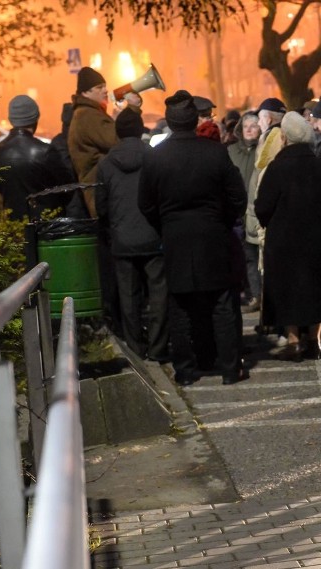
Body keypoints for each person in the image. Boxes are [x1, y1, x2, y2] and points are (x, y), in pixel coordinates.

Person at [138, 90, 247, 386]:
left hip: (176, 237)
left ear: (171, 122)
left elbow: (145, 204)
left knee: (181, 305)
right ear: (193, 120)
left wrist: (165, 224)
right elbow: (237, 196)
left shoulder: (156, 157)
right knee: (222, 303)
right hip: (212, 234)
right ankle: (229, 368)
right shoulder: (214, 152)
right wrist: (222, 220)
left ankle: (186, 370)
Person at [255, 112, 321, 361]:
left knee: (287, 288)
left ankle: (292, 339)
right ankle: (314, 339)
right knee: (316, 288)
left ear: (285, 137)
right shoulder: (319, 164)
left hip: (284, 240)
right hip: (317, 237)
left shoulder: (277, 167)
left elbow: (263, 206)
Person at [95, 108, 168, 362]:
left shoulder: (106, 164)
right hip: (153, 236)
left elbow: (101, 206)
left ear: (117, 132)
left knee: (128, 297)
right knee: (159, 293)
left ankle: (136, 349)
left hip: (122, 239)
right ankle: (158, 348)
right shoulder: (154, 157)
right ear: (140, 130)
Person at [68, 66, 142, 217]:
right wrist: (132, 109)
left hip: (102, 190)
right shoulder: (87, 115)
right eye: (99, 87)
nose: (105, 90)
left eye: (105, 86)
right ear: (85, 92)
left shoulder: (88, 113)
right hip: (102, 192)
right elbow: (119, 139)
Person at [242, 97, 287, 315]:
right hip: (260, 213)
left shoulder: (273, 138)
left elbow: (266, 179)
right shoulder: (271, 137)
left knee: (271, 270)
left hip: (267, 215)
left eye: (259, 119)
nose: (257, 124)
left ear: (267, 118)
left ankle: (281, 326)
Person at [0, 95, 64, 220]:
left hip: (12, 224)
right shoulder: (45, 151)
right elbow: (65, 186)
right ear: (35, 118)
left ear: (11, 119)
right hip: (45, 224)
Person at [228, 111, 261, 310]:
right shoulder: (231, 151)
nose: (249, 129)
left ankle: (260, 294)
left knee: (257, 256)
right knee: (244, 256)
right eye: (246, 126)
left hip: (257, 210)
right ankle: (251, 293)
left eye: (254, 125)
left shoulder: (263, 150)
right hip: (238, 212)